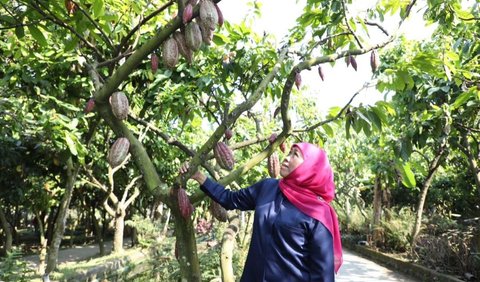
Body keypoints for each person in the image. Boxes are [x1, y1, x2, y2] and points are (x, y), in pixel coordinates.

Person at [179, 142, 342, 281]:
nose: (286, 157)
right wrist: (199, 176)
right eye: (289, 152)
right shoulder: (268, 188)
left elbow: (322, 274)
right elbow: (230, 199)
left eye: (295, 155)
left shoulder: (319, 213)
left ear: (310, 167)